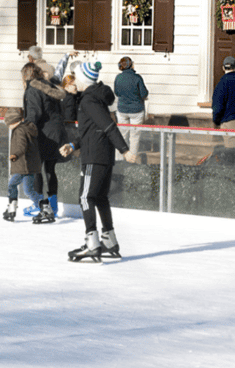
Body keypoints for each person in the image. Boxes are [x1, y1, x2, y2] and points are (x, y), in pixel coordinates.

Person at [62, 60, 136, 263]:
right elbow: (89, 130)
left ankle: (92, 243)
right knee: (100, 197)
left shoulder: (88, 101)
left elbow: (108, 126)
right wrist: (73, 145)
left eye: (76, 77)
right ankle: (109, 240)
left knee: (86, 198)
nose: (74, 80)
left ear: (84, 80)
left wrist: (125, 150)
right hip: (102, 154)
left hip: (94, 156)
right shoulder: (95, 98)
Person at [22, 60, 71, 223]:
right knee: (49, 169)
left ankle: (39, 205)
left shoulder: (33, 89)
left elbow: (34, 114)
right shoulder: (48, 85)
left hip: (44, 134)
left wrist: (25, 132)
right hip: (56, 131)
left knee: (36, 169)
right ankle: (53, 206)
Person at [2, 106, 41, 222]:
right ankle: (43, 204)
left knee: (12, 185)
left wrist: (15, 154)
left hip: (23, 165)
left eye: (9, 124)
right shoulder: (26, 128)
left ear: (14, 121)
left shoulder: (19, 130)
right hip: (29, 165)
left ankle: (12, 206)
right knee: (28, 190)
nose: (8, 126)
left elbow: (21, 146)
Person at [113, 56, 149, 156]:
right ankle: (132, 158)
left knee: (122, 135)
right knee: (134, 136)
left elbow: (116, 93)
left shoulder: (118, 77)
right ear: (131, 65)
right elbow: (144, 94)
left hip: (122, 110)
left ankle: (119, 159)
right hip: (136, 110)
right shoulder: (137, 78)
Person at [212, 55, 235, 130]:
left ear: (223, 68)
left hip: (229, 122)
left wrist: (216, 121)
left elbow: (217, 107)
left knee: (232, 141)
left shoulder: (221, 84)